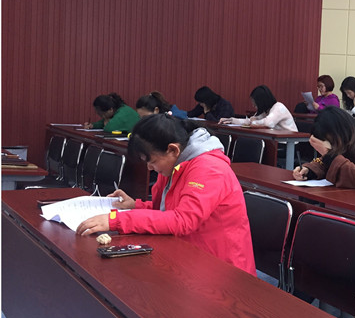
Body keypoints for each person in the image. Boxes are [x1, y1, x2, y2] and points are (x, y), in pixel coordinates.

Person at [76, 114, 256, 274]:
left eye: (152, 161)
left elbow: (183, 220)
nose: (149, 168)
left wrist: (116, 220)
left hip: (222, 268)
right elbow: (166, 209)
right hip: (189, 254)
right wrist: (135, 205)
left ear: (173, 150)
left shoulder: (209, 168)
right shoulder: (175, 163)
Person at [220, 85, 297, 131]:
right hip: (275, 141)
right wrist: (231, 120)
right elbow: (250, 121)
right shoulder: (265, 110)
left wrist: (253, 122)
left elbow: (268, 123)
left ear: (262, 101)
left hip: (288, 143)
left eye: (255, 103)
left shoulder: (279, 107)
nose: (253, 106)